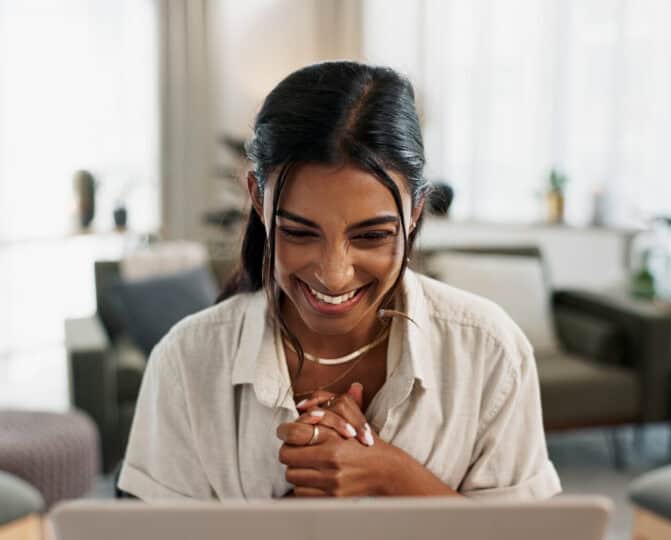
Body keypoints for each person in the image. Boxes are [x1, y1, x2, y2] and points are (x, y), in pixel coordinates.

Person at [117, 61, 561, 500]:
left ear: (416, 212)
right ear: (257, 199)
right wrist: (308, 511)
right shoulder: (187, 361)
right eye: (298, 232)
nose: (334, 274)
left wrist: (390, 474)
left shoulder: (489, 350)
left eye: (371, 236)